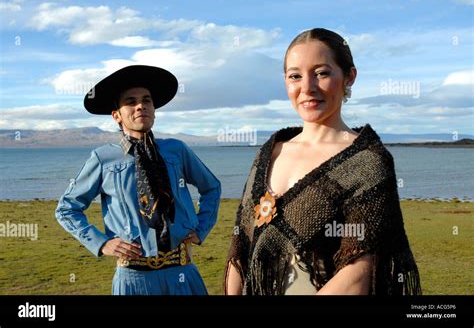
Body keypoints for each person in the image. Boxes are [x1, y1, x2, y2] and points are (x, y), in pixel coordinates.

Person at [225, 28, 421, 295]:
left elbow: (358, 273)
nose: (307, 88)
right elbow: (241, 244)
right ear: (285, 81)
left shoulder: (368, 163)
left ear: (349, 77)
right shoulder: (268, 153)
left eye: (322, 73)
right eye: (295, 76)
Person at [56, 65, 221, 295]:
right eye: (131, 101)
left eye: (147, 100)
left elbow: (211, 187)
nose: (140, 106)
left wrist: (201, 228)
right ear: (117, 115)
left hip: (182, 274)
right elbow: (67, 208)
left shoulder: (176, 150)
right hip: (133, 280)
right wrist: (102, 243)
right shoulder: (103, 158)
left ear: (154, 109)